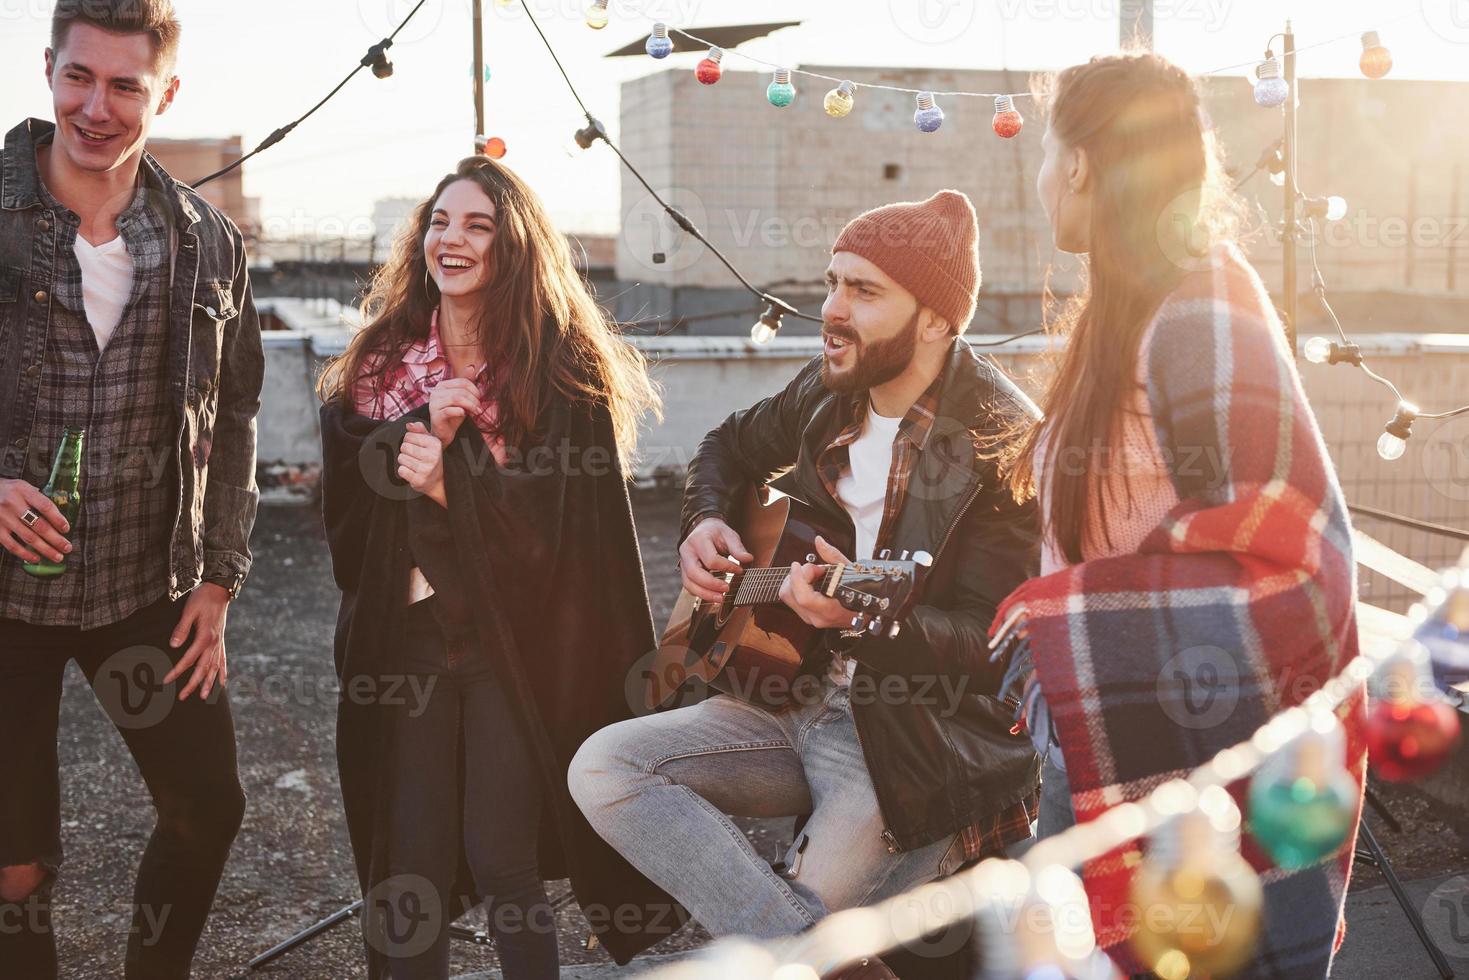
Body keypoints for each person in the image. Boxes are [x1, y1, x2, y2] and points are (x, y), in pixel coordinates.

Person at [569, 190, 1042, 974]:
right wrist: (704, 521)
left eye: (863, 291)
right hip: (787, 694)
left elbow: (994, 647)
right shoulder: (829, 390)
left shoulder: (1000, 443)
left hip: (912, 743)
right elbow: (724, 445)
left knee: (781, 936)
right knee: (603, 767)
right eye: (831, 282)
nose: (831, 309)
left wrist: (862, 622)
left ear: (934, 319)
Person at [993, 52, 1364, 976]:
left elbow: (1284, 548)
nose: (1041, 183)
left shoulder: (1198, 309)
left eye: (1045, 156)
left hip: (1183, 750)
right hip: (1102, 741)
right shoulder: (1130, 309)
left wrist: (1067, 619)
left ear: (1078, 164)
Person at [316, 155, 677, 979]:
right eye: (441, 221)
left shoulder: (559, 373)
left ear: (512, 247)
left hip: (507, 649)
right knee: (406, 865)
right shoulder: (380, 364)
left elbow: (563, 535)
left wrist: (452, 480)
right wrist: (409, 431)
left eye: (477, 225)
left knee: (503, 855)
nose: (453, 238)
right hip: (405, 645)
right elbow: (346, 503)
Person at [0, 1, 262, 976]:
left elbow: (233, 414)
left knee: (207, 809)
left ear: (166, 93)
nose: (95, 106)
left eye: (124, 85)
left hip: (142, 586)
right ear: (48, 69)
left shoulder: (203, 238)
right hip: (5, 598)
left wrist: (218, 577)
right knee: (16, 868)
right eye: (78, 77)